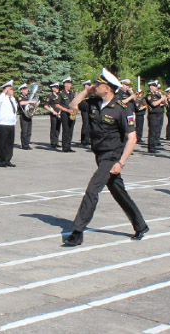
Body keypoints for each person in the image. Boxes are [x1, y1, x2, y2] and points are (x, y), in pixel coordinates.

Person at [62, 68, 149, 247]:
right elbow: (72, 105)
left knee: (92, 190)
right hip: (99, 154)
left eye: (98, 84)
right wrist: (86, 91)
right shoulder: (94, 102)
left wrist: (121, 163)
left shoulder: (122, 109)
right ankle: (140, 225)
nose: (95, 86)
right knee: (118, 191)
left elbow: (132, 138)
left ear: (108, 88)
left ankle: (77, 232)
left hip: (112, 156)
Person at [0, 80, 19, 166]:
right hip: (3, 124)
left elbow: (14, 112)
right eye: (11, 89)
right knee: (2, 143)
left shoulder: (12, 99)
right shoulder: (1, 98)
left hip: (11, 124)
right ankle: (1, 161)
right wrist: (3, 93)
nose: (13, 91)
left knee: (9, 143)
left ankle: (7, 159)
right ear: (6, 89)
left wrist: (14, 122)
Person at [146, 81, 167, 154]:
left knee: (157, 130)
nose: (156, 87)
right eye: (155, 86)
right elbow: (154, 104)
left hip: (159, 114)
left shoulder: (157, 95)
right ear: (151, 86)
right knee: (153, 131)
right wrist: (161, 100)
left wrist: (164, 99)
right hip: (153, 115)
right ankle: (151, 148)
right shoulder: (149, 95)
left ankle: (155, 145)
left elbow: (164, 104)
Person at [57, 77, 76, 152]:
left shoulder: (72, 93)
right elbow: (57, 105)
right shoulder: (61, 94)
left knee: (71, 130)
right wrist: (67, 110)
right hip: (65, 114)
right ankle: (64, 147)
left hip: (72, 113)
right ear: (65, 84)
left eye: (70, 83)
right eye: (68, 83)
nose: (70, 85)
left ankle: (69, 146)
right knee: (66, 130)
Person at [43, 83, 61, 148]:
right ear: (53, 88)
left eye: (58, 88)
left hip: (60, 114)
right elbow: (45, 105)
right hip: (53, 114)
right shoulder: (50, 96)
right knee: (53, 127)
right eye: (56, 88)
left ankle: (56, 141)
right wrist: (52, 111)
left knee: (58, 128)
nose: (57, 89)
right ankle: (53, 142)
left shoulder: (59, 95)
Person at [17, 83, 34, 150]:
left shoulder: (27, 97)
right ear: (22, 90)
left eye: (27, 89)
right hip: (23, 115)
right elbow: (21, 103)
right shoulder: (20, 97)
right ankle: (24, 145)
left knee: (29, 131)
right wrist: (30, 101)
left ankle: (27, 143)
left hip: (29, 115)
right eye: (25, 89)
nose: (27, 90)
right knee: (24, 131)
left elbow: (29, 105)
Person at [79, 80, 92, 146]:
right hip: (84, 110)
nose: (88, 86)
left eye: (89, 85)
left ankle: (88, 139)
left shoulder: (91, 93)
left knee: (90, 125)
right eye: (87, 85)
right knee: (85, 124)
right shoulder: (83, 93)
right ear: (85, 86)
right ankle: (83, 140)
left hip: (90, 110)